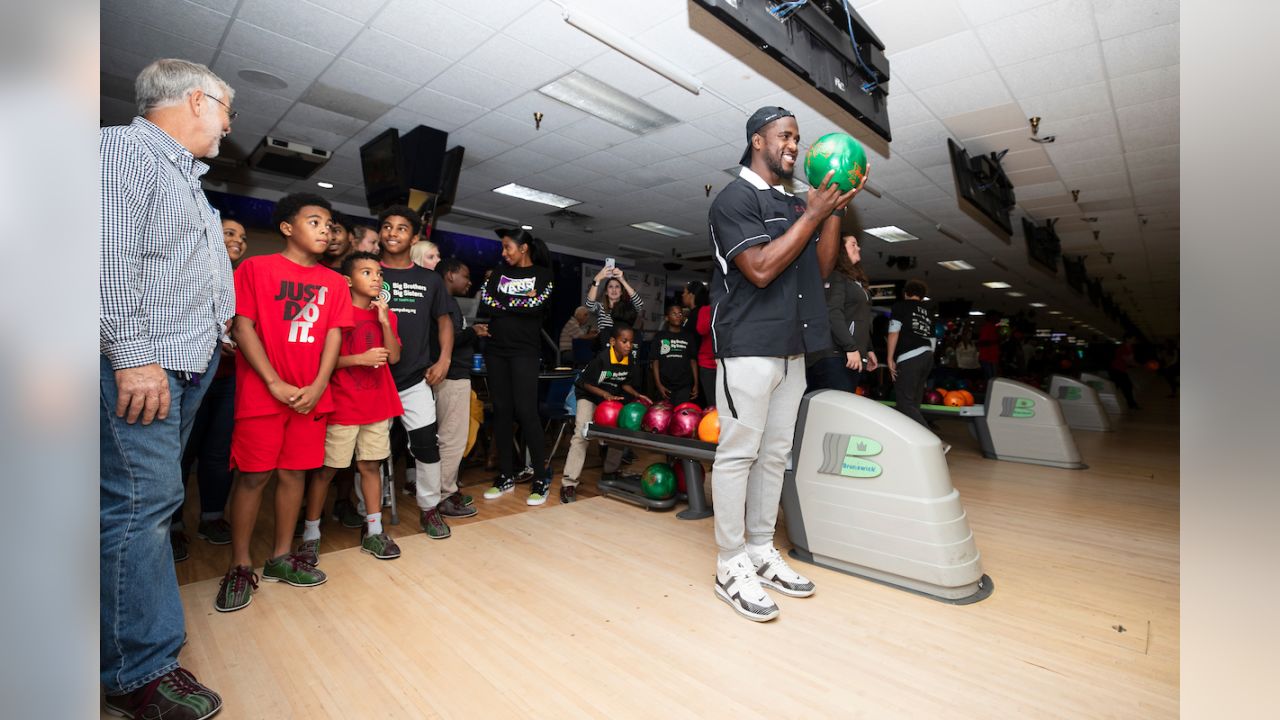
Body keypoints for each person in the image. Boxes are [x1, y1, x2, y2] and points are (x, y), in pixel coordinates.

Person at [100, 57, 235, 719]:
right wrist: (131, 356)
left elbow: (198, 279)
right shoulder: (123, 150)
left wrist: (223, 338)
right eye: (226, 112)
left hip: (184, 364)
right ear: (196, 100)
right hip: (141, 365)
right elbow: (103, 257)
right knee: (140, 509)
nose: (228, 129)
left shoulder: (190, 183)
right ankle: (139, 675)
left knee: (145, 505)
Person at [707, 105, 859, 622]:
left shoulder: (797, 204)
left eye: (798, 137)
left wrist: (832, 209)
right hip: (748, 345)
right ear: (757, 141)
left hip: (792, 348)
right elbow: (761, 268)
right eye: (785, 136)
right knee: (737, 455)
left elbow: (817, 268)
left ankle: (758, 549)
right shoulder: (734, 198)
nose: (795, 145)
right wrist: (814, 213)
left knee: (774, 456)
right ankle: (729, 563)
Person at [215, 192, 353, 615]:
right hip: (263, 392)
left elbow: (334, 335)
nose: (325, 229)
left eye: (329, 224)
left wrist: (317, 384)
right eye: (315, 221)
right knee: (254, 476)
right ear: (287, 227)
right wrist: (273, 381)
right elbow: (243, 326)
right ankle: (240, 564)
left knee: (294, 475)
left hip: (311, 396)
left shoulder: (334, 282)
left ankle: (279, 557)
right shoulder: (257, 268)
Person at [300, 251, 404, 563]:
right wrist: (358, 359)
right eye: (367, 272)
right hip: (343, 405)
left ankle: (374, 531)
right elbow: (323, 362)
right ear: (347, 280)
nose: (376, 278)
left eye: (379, 274)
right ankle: (310, 533)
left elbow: (394, 356)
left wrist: (385, 320)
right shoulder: (336, 313)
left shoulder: (387, 315)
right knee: (328, 470)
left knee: (370, 466)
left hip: (377, 404)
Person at [171, 218, 248, 563]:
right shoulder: (191, 268)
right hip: (192, 375)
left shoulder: (241, 279)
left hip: (231, 378)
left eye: (243, 237)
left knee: (219, 452)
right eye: (230, 233)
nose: (238, 241)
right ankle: (172, 526)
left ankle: (212, 518)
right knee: (182, 452)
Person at [378, 205, 455, 538]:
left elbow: (445, 321)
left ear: (413, 237)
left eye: (401, 228)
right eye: (387, 226)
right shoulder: (368, 271)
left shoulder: (429, 279)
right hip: (373, 379)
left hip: (415, 379)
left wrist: (444, 361)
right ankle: (368, 511)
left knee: (426, 446)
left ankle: (429, 509)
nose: (393, 233)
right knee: (372, 451)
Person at [478, 228, 555, 504]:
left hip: (525, 352)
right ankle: (506, 475)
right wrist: (521, 301)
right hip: (496, 351)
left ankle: (540, 478)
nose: (503, 253)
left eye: (507, 247)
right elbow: (487, 301)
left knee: (526, 412)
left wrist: (507, 303)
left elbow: (536, 305)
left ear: (523, 248)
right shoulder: (498, 273)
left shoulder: (544, 275)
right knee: (502, 411)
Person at [559, 324, 650, 503]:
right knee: (582, 434)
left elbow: (624, 384)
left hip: (610, 399)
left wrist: (637, 395)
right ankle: (568, 483)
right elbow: (585, 383)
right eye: (624, 341)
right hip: (589, 396)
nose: (628, 346)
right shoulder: (601, 359)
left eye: (631, 342)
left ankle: (610, 473)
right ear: (612, 342)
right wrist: (604, 394)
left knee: (618, 434)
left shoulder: (629, 359)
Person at [434, 257, 485, 518]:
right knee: (452, 439)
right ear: (450, 275)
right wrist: (474, 332)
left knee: (450, 438)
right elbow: (450, 340)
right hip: (452, 379)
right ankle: (443, 496)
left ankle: (445, 491)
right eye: (465, 275)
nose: (468, 281)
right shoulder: (444, 302)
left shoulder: (445, 301)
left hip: (452, 377)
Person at [807, 232, 878, 393]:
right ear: (840, 250)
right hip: (835, 355)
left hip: (850, 355)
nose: (858, 247)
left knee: (841, 407)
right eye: (853, 244)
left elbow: (860, 317)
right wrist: (850, 348)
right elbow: (833, 313)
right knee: (833, 411)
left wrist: (868, 349)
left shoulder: (854, 281)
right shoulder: (835, 276)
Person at [886, 279, 936, 430]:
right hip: (927, 356)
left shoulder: (901, 306)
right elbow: (933, 339)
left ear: (906, 293)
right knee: (914, 403)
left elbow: (894, 332)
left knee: (905, 403)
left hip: (910, 356)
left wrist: (889, 358)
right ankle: (915, 442)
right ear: (922, 296)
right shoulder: (929, 311)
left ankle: (932, 440)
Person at [650, 304, 699, 405]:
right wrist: (658, 385)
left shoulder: (689, 336)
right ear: (667, 318)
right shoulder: (660, 336)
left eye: (680, 313)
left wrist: (696, 384)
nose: (678, 316)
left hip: (684, 385)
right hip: (665, 384)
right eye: (674, 313)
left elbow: (693, 361)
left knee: (681, 414)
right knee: (664, 416)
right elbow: (655, 361)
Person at [585, 266, 641, 345]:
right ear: (606, 292)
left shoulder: (626, 308)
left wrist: (622, 280)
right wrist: (597, 279)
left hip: (622, 348)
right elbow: (589, 304)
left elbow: (639, 304)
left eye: (617, 287)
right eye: (610, 287)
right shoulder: (601, 308)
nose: (614, 290)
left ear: (621, 292)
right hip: (605, 349)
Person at [684, 281, 716, 407]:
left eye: (684, 293)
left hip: (706, 362)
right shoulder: (701, 312)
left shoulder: (705, 311)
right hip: (701, 362)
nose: (682, 295)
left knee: (710, 401)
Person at [1110, 334, 1141, 409]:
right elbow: (1127, 361)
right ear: (1127, 339)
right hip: (1116, 369)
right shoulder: (1122, 348)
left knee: (1125, 387)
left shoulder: (1131, 348)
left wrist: (1137, 364)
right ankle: (1132, 404)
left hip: (1121, 370)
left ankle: (1131, 404)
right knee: (1126, 386)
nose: (1134, 340)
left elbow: (1131, 360)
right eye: (1133, 339)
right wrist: (1139, 365)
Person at [977, 310, 1002, 380]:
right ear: (991, 317)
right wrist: (996, 341)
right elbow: (982, 343)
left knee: (994, 379)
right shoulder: (987, 327)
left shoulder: (995, 327)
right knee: (991, 380)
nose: (998, 318)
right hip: (987, 359)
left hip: (993, 358)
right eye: (997, 317)